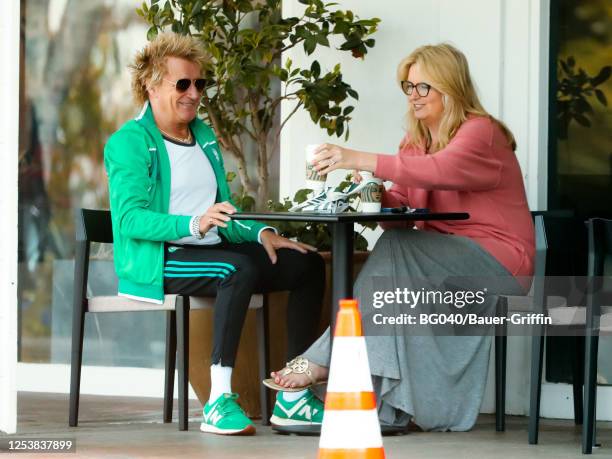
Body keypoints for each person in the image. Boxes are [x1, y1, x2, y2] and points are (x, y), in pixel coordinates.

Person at [266, 43, 535, 432]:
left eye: (423, 87)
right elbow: (401, 217)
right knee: (393, 263)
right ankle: (382, 409)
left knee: (395, 251)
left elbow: (443, 170)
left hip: (499, 260)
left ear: (450, 87)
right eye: (408, 87)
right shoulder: (415, 140)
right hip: (436, 258)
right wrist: (374, 193)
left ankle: (325, 360)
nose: (413, 96)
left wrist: (356, 157)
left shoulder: (482, 131)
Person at [104, 32, 325, 435]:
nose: (194, 93)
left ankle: (292, 396)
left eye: (200, 83)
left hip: (211, 249)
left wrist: (262, 235)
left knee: (306, 265)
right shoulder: (129, 143)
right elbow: (129, 220)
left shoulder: (202, 135)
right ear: (151, 86)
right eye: (182, 84)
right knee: (235, 268)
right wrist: (192, 224)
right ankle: (218, 400)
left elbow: (221, 211)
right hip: (163, 257)